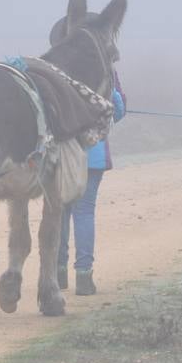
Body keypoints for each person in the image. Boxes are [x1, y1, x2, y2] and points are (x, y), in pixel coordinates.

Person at [58, 70, 126, 295]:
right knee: (84, 212)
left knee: (60, 211)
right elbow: (118, 109)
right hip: (93, 154)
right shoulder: (104, 69)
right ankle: (84, 277)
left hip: (63, 153)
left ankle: (57, 273)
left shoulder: (56, 65)